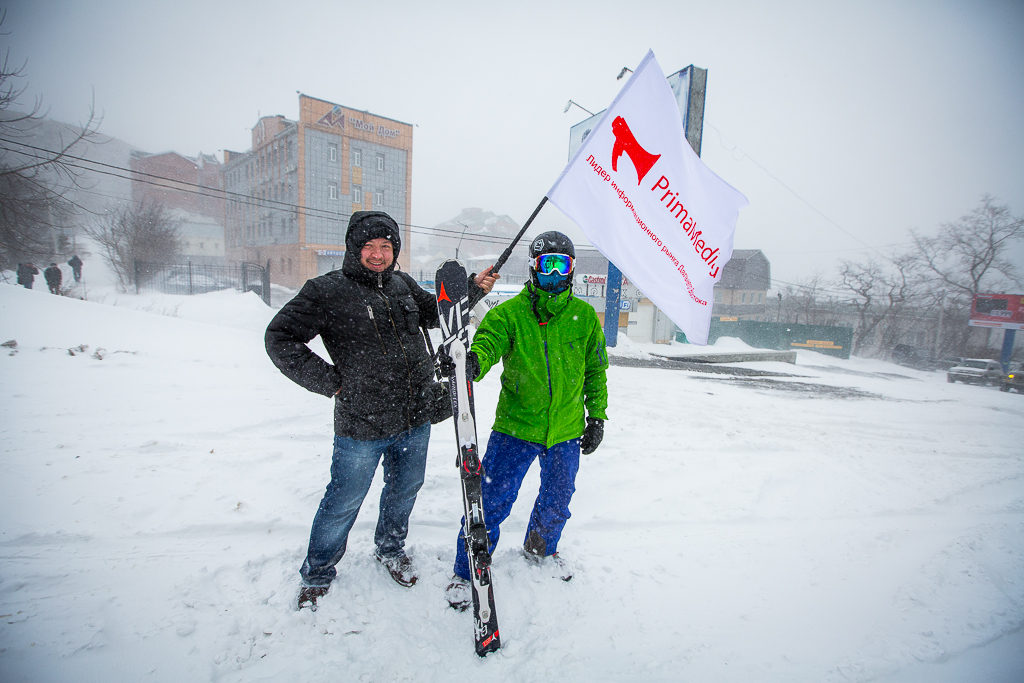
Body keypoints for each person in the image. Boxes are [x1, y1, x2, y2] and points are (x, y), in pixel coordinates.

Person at [265, 211, 498, 610]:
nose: (377, 254)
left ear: (395, 251)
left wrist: (473, 290)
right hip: (362, 423)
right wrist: (333, 382)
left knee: (404, 490)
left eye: (386, 246)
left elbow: (436, 312)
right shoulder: (326, 291)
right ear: (354, 249)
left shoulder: (401, 284)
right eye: (369, 246)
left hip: (415, 416)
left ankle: (390, 549)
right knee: (343, 500)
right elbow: (279, 338)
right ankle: (318, 572)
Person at [444, 230, 608, 610]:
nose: (553, 272)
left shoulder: (583, 318)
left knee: (557, 500)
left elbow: (596, 371)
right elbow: (488, 343)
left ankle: (541, 550)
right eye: (545, 264)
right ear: (533, 269)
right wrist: (472, 364)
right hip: (515, 428)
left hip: (565, 431)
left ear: (571, 270)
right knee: (491, 501)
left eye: (560, 264)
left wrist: (596, 417)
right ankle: (465, 571)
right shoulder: (510, 314)